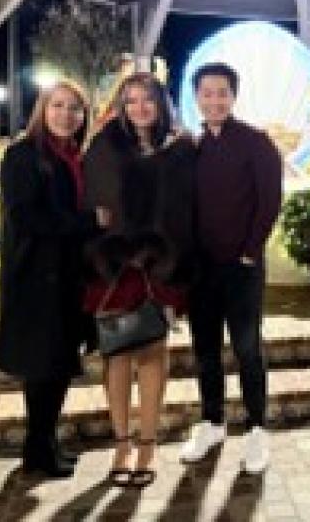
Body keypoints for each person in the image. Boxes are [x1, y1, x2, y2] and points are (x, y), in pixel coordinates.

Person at [82, 73, 197, 488]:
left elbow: (186, 209)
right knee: (116, 355)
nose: (139, 108)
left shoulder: (181, 147)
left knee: (152, 352)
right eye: (130, 101)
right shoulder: (105, 143)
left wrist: (163, 254)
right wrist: (116, 249)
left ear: (161, 104)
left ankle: (148, 445)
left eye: (147, 100)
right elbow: (95, 203)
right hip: (114, 265)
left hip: (160, 265)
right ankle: (121, 445)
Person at [0, 80, 110, 478]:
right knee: (44, 368)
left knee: (57, 366)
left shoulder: (74, 156)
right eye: (58, 105)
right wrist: (88, 222)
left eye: (75, 108)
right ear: (43, 109)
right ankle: (38, 449)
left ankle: (43, 445)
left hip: (67, 277)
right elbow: (27, 217)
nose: (66, 114)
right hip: (38, 278)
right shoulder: (23, 156)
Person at [179, 62, 283, 474]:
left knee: (247, 350)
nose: (215, 100)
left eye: (222, 92)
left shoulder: (256, 143)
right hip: (201, 270)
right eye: (207, 93)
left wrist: (249, 250)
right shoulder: (192, 146)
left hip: (241, 267)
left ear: (233, 96)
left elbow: (269, 201)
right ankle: (212, 422)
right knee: (205, 353)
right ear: (197, 98)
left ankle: (257, 429)